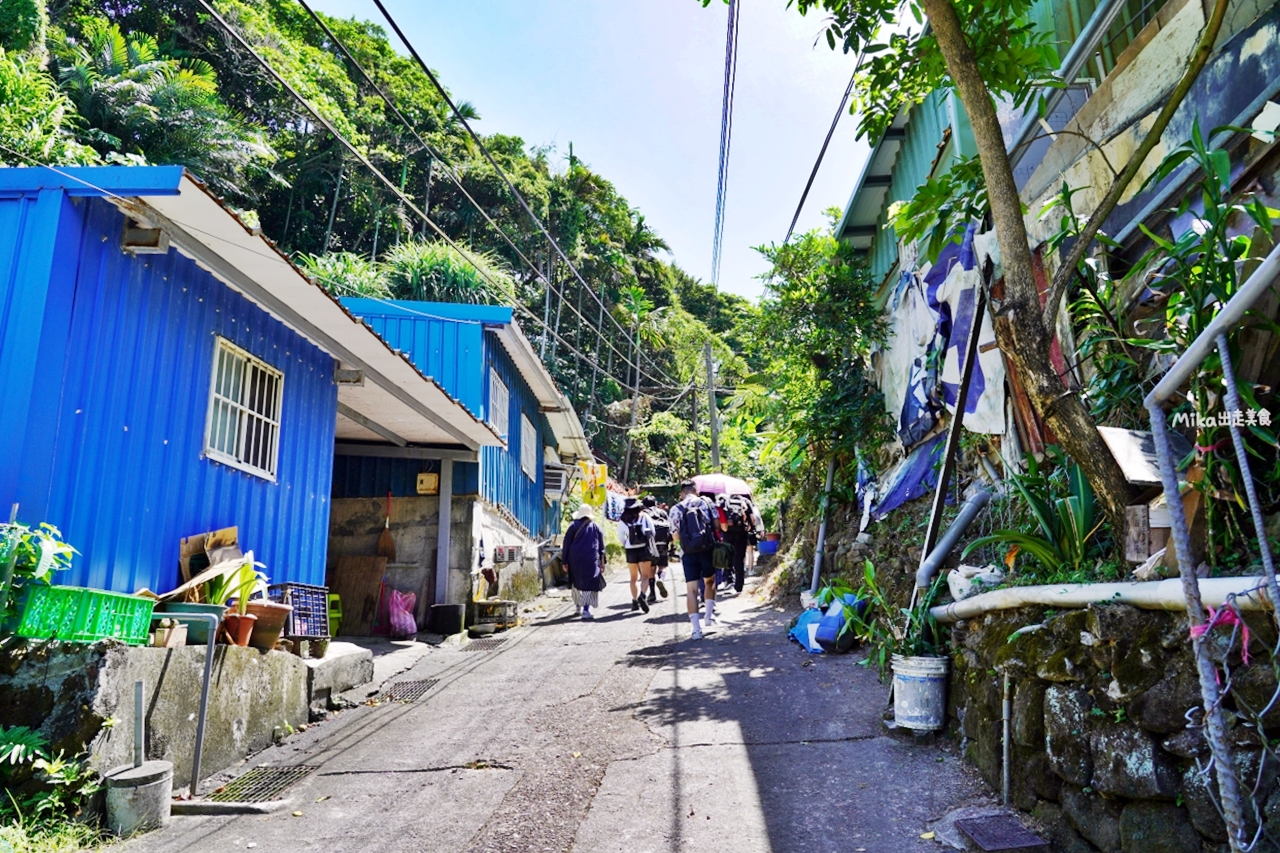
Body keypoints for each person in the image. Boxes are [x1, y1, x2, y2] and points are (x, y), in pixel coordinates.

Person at [668, 480, 720, 639]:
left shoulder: (676, 508)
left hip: (688, 552)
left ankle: (696, 630)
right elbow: (717, 525)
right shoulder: (707, 502)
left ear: (682, 493)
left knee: (691, 590)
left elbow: (675, 536)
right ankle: (709, 616)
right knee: (709, 582)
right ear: (696, 491)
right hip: (707, 549)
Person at [562, 504, 606, 620]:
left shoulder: (572, 526)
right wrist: (602, 562)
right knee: (589, 583)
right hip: (591, 559)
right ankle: (586, 610)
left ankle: (577, 607)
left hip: (574, 559)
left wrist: (564, 561)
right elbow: (601, 546)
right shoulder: (596, 527)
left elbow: (566, 545)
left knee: (575, 582)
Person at [618, 496, 656, 613]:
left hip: (631, 550)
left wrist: (627, 544)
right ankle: (642, 595)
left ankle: (634, 601)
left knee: (633, 578)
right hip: (643, 549)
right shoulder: (645, 517)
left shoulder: (622, 520)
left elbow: (621, 537)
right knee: (645, 576)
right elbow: (653, 532)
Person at [718, 492, 761, 593]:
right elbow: (753, 519)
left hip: (727, 533)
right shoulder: (745, 501)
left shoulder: (724, 502)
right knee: (739, 558)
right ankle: (739, 585)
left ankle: (728, 580)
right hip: (741, 533)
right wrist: (749, 525)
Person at [643, 496, 670, 604]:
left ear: (644, 505)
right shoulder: (662, 512)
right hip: (663, 542)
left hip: (650, 544)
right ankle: (661, 579)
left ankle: (652, 593)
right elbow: (670, 527)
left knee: (651, 567)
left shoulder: (643, 513)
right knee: (662, 566)